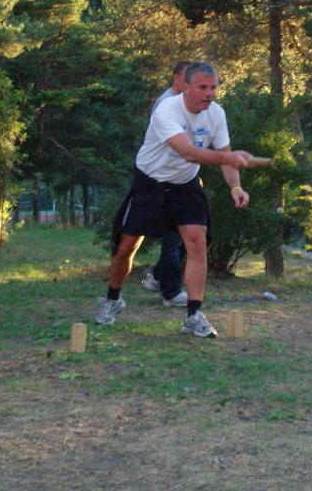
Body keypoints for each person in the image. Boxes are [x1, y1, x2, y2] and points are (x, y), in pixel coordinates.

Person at [96, 61, 251, 338]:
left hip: (185, 185)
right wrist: (226, 157)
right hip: (150, 183)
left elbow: (226, 156)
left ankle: (193, 315)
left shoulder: (216, 114)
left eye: (213, 87)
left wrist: (235, 187)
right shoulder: (166, 109)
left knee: (197, 242)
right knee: (127, 246)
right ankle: (113, 299)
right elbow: (188, 152)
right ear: (186, 86)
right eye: (203, 87)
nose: (209, 93)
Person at [141, 60, 191, 308]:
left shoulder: (187, 105)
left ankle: (159, 276)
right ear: (176, 78)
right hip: (162, 180)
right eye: (186, 79)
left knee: (194, 235)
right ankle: (171, 293)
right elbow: (173, 146)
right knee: (174, 236)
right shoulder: (165, 104)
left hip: (182, 180)